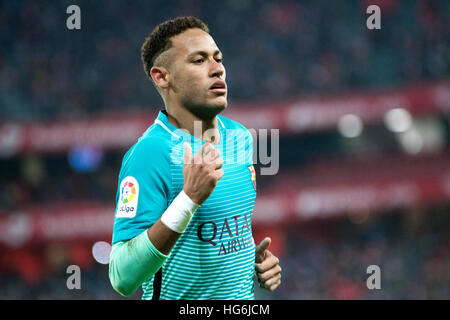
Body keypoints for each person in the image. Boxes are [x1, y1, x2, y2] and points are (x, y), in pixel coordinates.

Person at [108, 16, 281, 300]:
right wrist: (188, 199)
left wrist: (253, 264)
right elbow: (122, 276)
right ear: (162, 77)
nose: (218, 70)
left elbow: (222, 232)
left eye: (218, 58)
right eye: (199, 61)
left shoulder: (239, 137)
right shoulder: (150, 153)